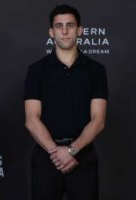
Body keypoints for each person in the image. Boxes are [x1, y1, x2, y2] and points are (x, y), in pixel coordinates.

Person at [24, 5, 108, 200]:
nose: (64, 31)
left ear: (80, 30)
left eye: (70, 25)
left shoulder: (96, 70)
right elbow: (31, 119)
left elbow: (98, 120)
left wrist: (72, 151)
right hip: (46, 158)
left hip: (83, 157)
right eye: (59, 26)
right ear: (51, 32)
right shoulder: (36, 70)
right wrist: (57, 153)